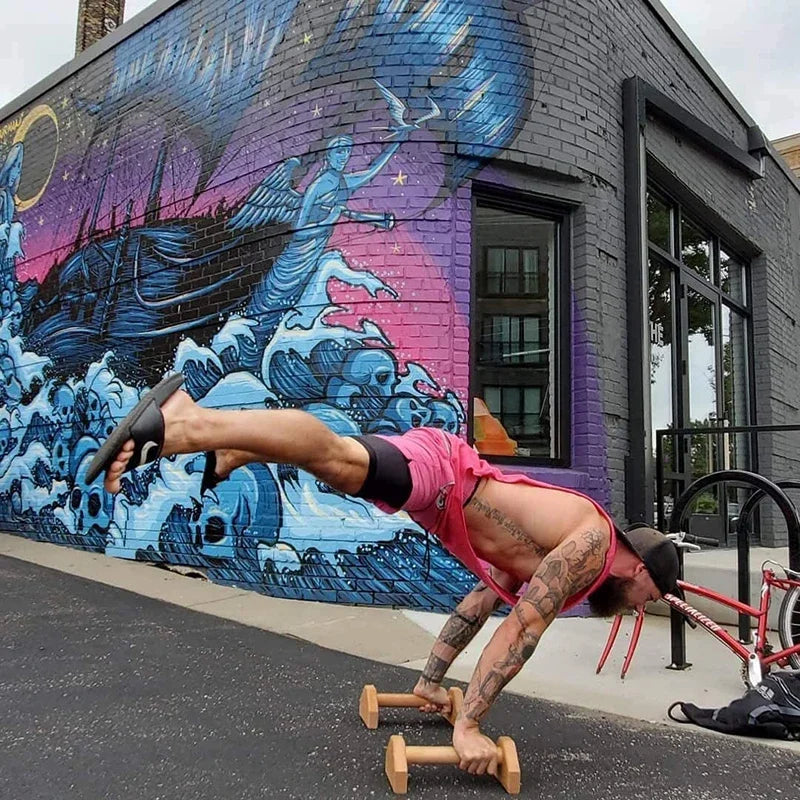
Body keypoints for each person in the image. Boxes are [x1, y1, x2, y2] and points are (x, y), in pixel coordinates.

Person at [87, 375, 681, 778]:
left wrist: (430, 682)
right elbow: (524, 627)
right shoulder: (593, 545)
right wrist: (468, 726)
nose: (636, 609)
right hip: (446, 476)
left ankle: (242, 448)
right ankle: (189, 422)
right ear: (638, 566)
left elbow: (481, 604)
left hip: (442, 490)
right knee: (342, 463)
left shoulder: (571, 559)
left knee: (337, 462)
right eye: (647, 597)